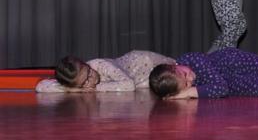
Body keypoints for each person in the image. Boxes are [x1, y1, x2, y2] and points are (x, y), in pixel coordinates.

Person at [149, 47, 258, 99]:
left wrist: (188, 92)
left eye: (184, 74)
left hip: (235, 62)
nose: (190, 80)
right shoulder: (186, 84)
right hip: (231, 83)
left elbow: (219, 88)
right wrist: (186, 92)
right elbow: (222, 89)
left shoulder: (192, 59)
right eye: (186, 85)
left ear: (176, 65)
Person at [35, 51, 174, 92]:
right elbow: (40, 86)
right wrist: (73, 90)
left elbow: (129, 85)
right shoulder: (75, 82)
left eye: (89, 73)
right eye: (85, 82)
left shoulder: (100, 65)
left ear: (87, 64)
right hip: (142, 80)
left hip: (145, 63)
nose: (91, 79)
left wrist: (95, 88)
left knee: (176, 67)